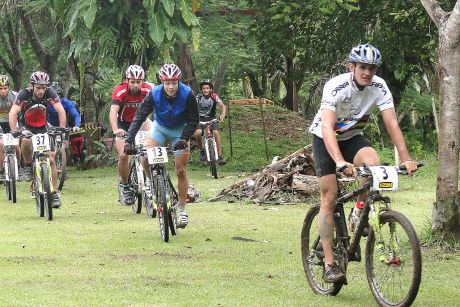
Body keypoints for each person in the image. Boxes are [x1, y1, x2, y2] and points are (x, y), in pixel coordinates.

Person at [308, 44, 418, 283]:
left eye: (372, 68)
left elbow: (392, 125)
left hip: (353, 137)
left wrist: (406, 158)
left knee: (374, 165)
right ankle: (329, 264)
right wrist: (338, 161)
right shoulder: (335, 86)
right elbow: (327, 127)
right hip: (325, 138)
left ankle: (357, 216)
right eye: (363, 67)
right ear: (352, 67)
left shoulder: (379, 87)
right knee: (329, 197)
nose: (367, 72)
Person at [124, 63, 199, 228]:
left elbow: (194, 120)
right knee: (144, 152)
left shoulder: (187, 94)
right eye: (167, 83)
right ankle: (152, 182)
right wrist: (129, 140)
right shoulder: (154, 93)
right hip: (160, 128)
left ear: (178, 81)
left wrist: (184, 138)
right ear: (162, 82)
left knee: (180, 170)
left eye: (174, 83)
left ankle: (181, 209)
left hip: (180, 130)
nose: (171, 87)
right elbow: (140, 116)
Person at [8, 71, 67, 208]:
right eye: (38, 88)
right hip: (26, 126)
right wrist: (15, 131)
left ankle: (53, 193)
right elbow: (13, 112)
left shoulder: (50, 93)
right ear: (32, 85)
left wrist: (62, 128)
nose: (41, 91)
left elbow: (60, 110)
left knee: (51, 159)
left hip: (42, 127)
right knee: (27, 140)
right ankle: (29, 166)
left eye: (44, 88)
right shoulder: (23, 94)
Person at [109, 64, 153, 205]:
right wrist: (116, 129)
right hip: (124, 125)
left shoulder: (148, 89)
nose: (135, 85)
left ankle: (152, 180)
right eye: (132, 82)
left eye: (138, 82)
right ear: (127, 80)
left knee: (148, 151)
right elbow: (113, 111)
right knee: (123, 155)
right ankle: (125, 185)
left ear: (143, 81)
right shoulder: (120, 90)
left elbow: (158, 107)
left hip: (141, 123)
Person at [194, 79, 227, 164]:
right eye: (203, 88)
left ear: (210, 89)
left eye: (207, 88)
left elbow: (223, 106)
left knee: (216, 133)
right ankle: (201, 150)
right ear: (201, 89)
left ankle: (220, 156)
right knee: (198, 133)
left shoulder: (214, 96)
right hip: (200, 120)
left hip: (212, 119)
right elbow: (192, 106)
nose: (205, 90)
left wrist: (222, 115)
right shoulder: (198, 97)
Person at [48, 82, 82, 162]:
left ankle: (64, 165)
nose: (56, 98)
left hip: (63, 127)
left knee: (66, 146)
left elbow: (76, 115)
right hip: (49, 127)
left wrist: (77, 125)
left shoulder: (66, 102)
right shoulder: (47, 103)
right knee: (49, 147)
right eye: (53, 96)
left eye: (58, 95)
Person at [0, 74, 18, 179]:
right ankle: (1, 170)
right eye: (0, 88)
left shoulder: (15, 96)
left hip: (13, 121)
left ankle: (21, 164)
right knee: (1, 144)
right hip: (0, 124)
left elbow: (20, 112)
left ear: (9, 87)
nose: (3, 91)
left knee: (18, 143)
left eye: (5, 88)